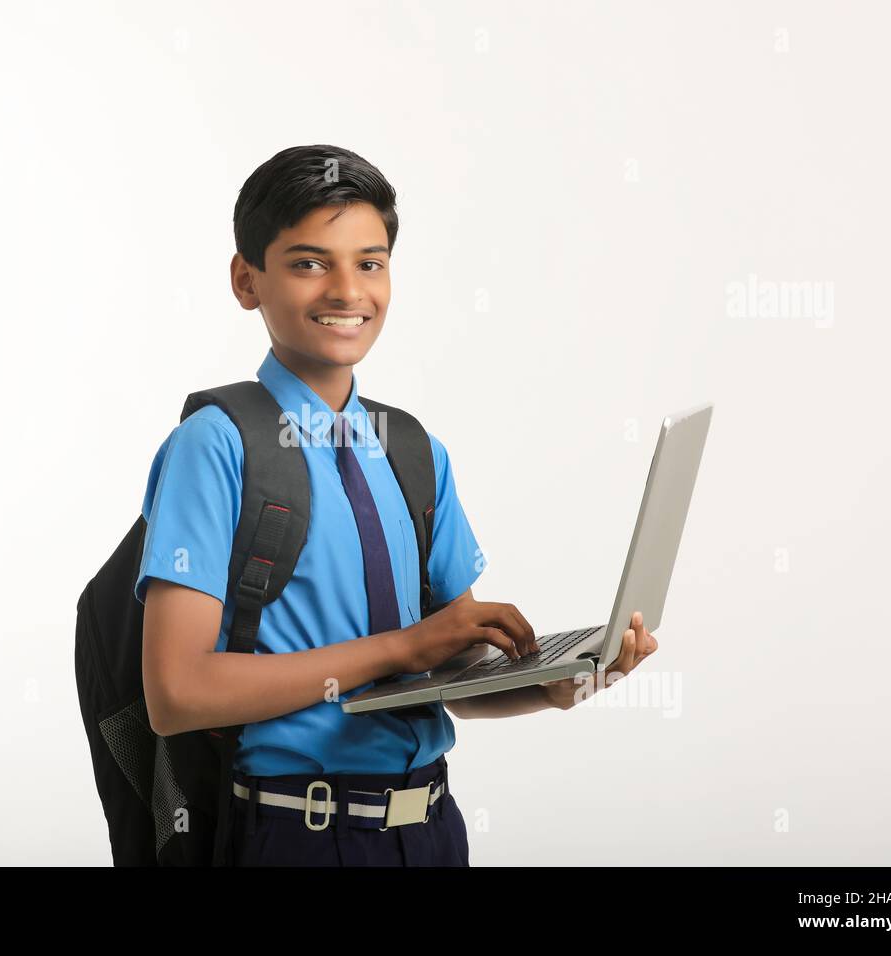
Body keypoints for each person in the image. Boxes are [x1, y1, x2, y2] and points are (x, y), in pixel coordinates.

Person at [133, 145, 658, 866]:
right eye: (309, 262)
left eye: (370, 262)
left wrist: (556, 686)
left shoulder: (413, 451)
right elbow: (178, 691)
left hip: (432, 829)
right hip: (299, 836)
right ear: (246, 279)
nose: (347, 290)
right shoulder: (216, 446)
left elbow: (449, 681)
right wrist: (404, 646)